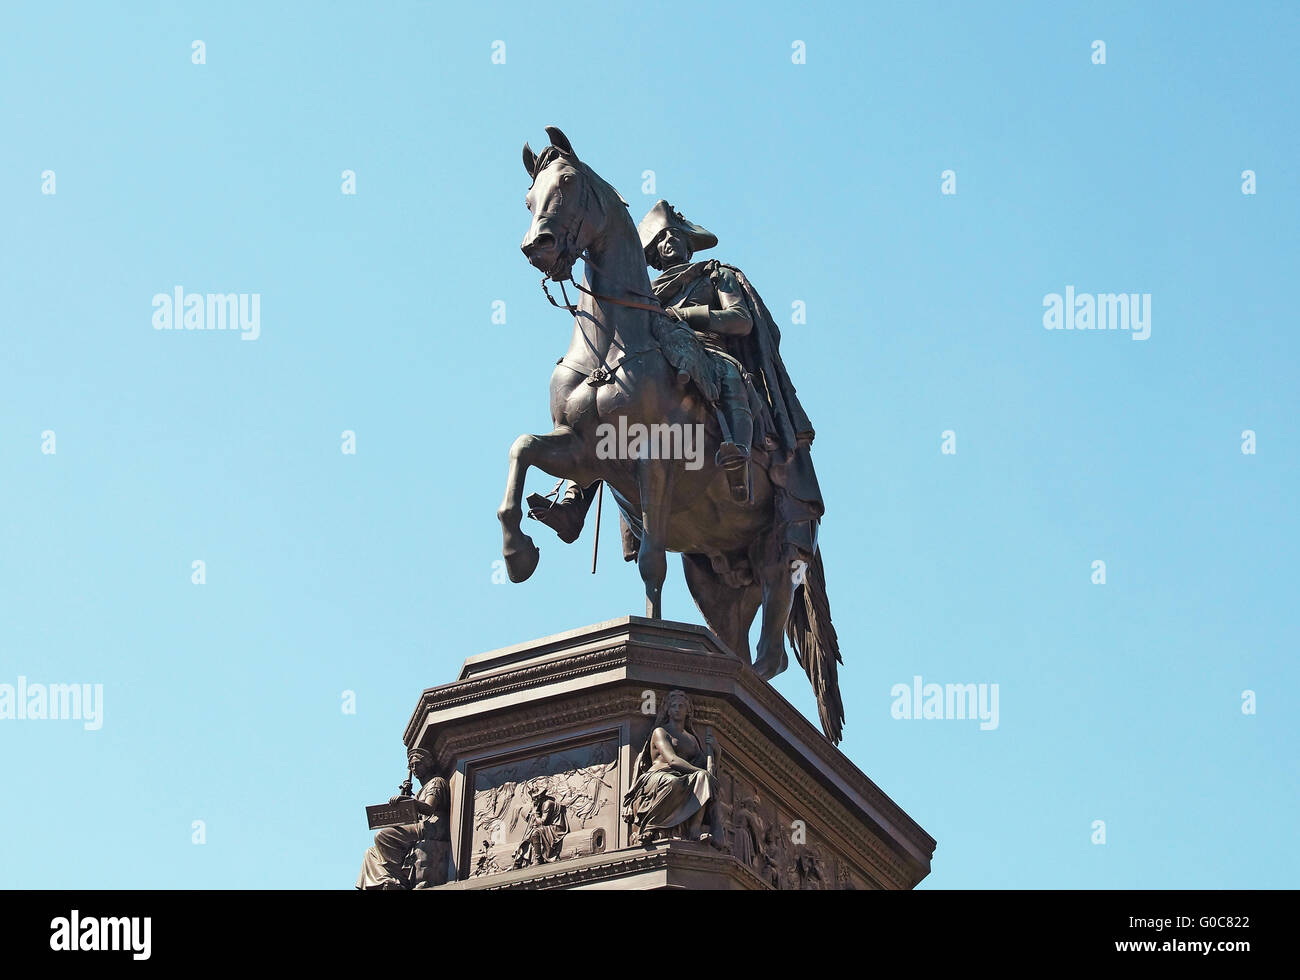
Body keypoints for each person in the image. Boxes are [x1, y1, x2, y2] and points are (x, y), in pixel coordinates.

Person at [355, 748, 450, 889]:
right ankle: (386, 880)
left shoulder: (436, 782)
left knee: (383, 836)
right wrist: (406, 799)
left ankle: (398, 879)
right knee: (372, 852)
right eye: (411, 766)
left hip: (432, 827)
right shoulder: (421, 790)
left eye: (418, 764)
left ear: (428, 764)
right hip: (421, 826)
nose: (414, 768)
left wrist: (408, 801)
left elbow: (428, 808)